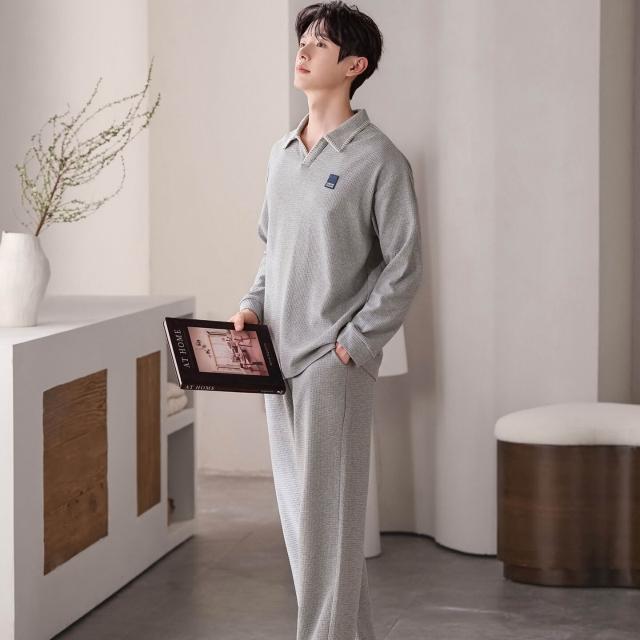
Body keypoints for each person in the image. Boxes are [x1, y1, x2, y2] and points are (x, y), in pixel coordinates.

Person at [228, 2, 423, 638]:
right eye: (303, 40)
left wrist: (354, 346)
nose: (304, 51)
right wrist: (251, 305)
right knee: (305, 530)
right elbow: (273, 251)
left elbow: (404, 266)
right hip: (274, 365)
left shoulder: (379, 160)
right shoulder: (282, 154)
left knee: (327, 530)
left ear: (354, 65)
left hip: (330, 367)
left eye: (320, 43)